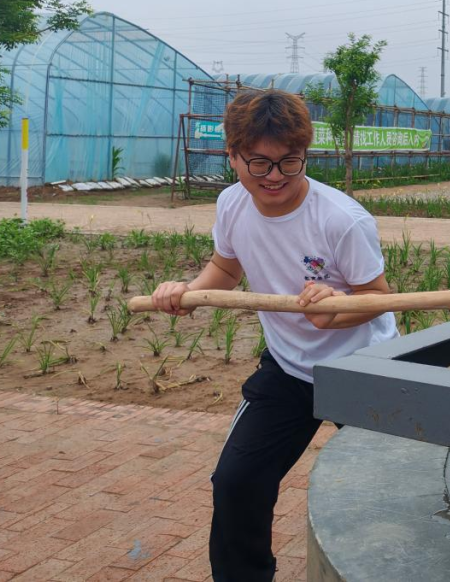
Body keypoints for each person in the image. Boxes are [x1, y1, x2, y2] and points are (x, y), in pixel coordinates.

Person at [150, 88, 396, 582]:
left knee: (391, 489)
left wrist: (338, 310)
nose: (275, 178)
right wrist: (190, 293)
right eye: (259, 164)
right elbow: (226, 265)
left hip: (364, 368)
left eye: (290, 162)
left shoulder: (341, 219)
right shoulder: (232, 204)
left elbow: (378, 296)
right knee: (237, 483)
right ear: (232, 155)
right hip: (288, 370)